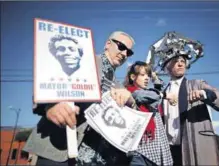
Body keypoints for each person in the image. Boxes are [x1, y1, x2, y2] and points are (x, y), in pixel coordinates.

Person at [23, 31, 137, 166]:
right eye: (122, 47)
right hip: (59, 150)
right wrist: (50, 106)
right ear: (108, 44)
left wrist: (130, 100)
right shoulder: (81, 59)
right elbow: (45, 82)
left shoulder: (118, 85)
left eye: (128, 52)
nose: (124, 54)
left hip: (93, 158)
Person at [161, 55, 219, 166]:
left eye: (183, 61)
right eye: (175, 61)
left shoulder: (197, 84)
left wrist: (204, 93)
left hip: (194, 147)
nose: (180, 64)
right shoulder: (162, 93)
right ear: (166, 67)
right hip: (169, 151)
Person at [124, 61, 175, 166]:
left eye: (148, 75)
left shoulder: (150, 93)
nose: (147, 78)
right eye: (142, 75)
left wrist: (154, 77)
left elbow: (158, 89)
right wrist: (165, 95)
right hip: (139, 151)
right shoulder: (131, 92)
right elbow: (144, 96)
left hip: (155, 148)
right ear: (133, 77)